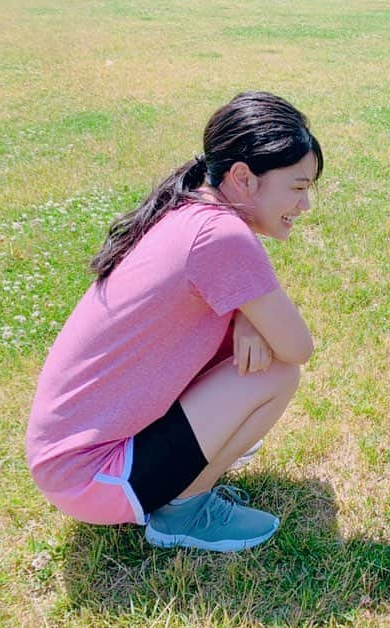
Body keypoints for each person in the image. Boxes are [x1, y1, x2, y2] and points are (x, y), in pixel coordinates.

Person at [25, 92, 323, 552]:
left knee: (256, 351)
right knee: (277, 371)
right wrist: (250, 316)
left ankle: (188, 470)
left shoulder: (188, 209)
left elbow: (250, 310)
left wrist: (246, 315)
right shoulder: (222, 236)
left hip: (68, 462)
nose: (305, 206)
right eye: (298, 187)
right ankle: (183, 509)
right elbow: (297, 346)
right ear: (244, 178)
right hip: (96, 477)